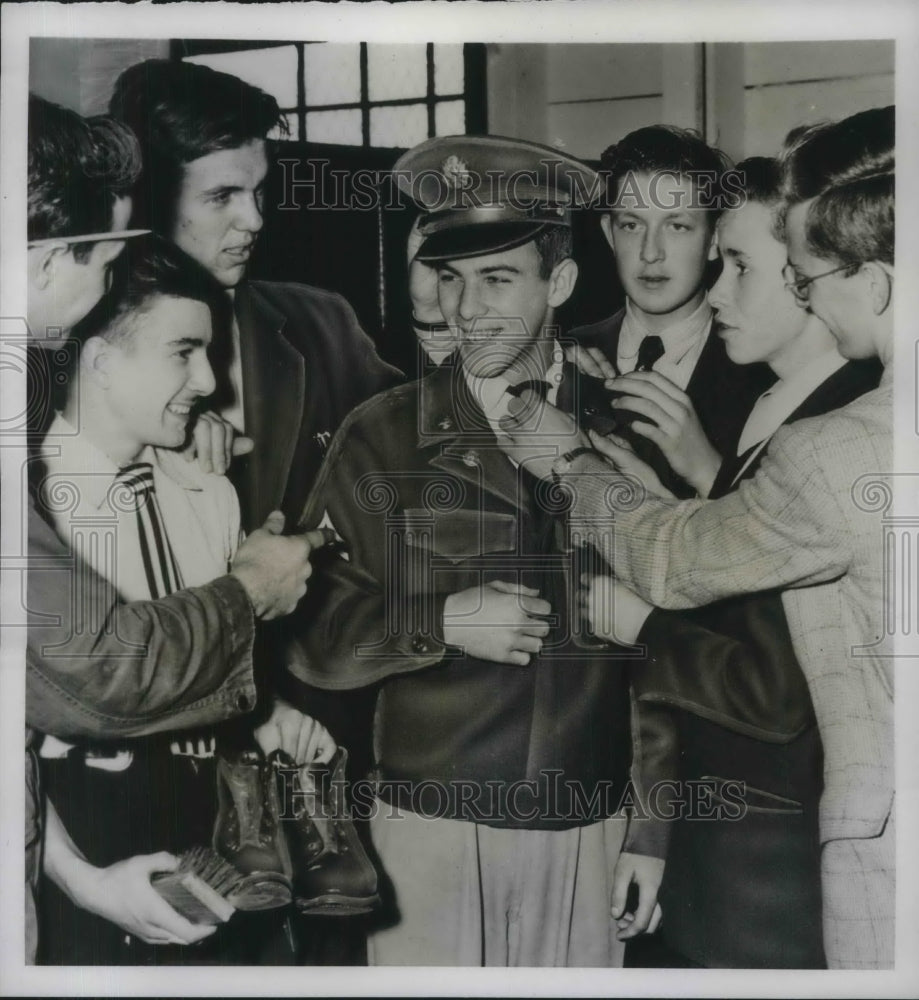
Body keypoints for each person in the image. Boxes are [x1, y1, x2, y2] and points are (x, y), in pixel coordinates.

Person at [499, 106, 896, 970]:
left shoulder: (842, 439)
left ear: (864, 283)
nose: (711, 278)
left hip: (799, 848)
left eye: (786, 268)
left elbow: (689, 577)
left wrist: (572, 464)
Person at [291, 136, 671, 967]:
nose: (466, 309)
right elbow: (309, 631)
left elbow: (670, 656)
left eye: (497, 279)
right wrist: (437, 620)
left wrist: (652, 825)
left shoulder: (626, 429)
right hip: (427, 825)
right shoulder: (382, 432)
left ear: (559, 284)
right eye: (450, 278)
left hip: (589, 824)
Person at [108, 56, 402, 964]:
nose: (256, 220)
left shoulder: (317, 322)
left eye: (261, 191)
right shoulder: (78, 355)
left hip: (316, 772)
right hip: (156, 766)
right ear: (152, 202)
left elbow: (413, 469)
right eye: (224, 197)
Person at [23, 94, 323, 963]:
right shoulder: (38, 486)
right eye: (107, 251)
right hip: (83, 814)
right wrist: (254, 592)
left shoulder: (203, 483)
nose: (114, 271)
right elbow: (99, 669)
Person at [586, 156, 881, 968]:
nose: (713, 289)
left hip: (769, 863)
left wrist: (637, 613)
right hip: (714, 844)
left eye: (738, 264)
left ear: (805, 277)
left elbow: (774, 682)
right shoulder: (772, 407)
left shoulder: (832, 430)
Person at [570, 125, 772, 498]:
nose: (650, 252)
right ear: (609, 234)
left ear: (715, 239)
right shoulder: (563, 356)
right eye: (631, 225)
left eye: (677, 226)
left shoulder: (763, 375)